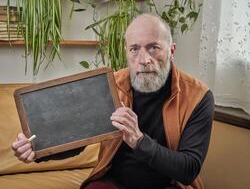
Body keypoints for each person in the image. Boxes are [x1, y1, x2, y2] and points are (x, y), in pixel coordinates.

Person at [12, 14, 214, 189]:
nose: (143, 59)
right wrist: (36, 150)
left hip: (169, 184)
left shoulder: (198, 96)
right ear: (126, 51)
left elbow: (189, 170)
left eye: (153, 48)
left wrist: (139, 140)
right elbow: (76, 139)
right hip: (113, 183)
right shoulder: (111, 85)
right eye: (135, 49)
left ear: (171, 50)